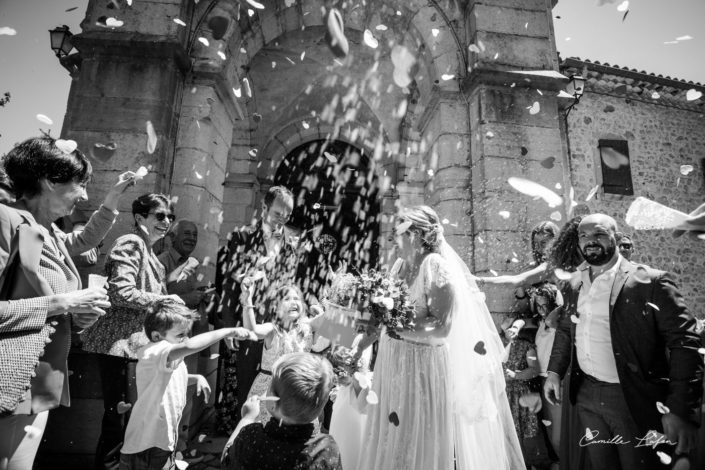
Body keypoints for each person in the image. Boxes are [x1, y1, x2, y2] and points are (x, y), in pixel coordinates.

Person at [0, 136, 135, 470]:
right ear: (49, 181)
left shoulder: (52, 233)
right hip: (10, 375)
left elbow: (85, 238)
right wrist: (65, 301)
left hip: (41, 375)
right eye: (81, 184)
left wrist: (76, 314)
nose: (85, 195)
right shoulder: (6, 220)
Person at [355, 205, 524, 470]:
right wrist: (360, 342)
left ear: (417, 235)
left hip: (420, 370)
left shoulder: (435, 266)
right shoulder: (399, 265)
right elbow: (385, 315)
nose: (391, 240)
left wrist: (393, 325)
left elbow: (442, 327)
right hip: (392, 363)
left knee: (415, 441)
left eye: (397, 233)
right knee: (389, 438)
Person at [544, 213, 703, 470]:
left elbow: (685, 343)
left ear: (615, 238)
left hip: (633, 398)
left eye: (598, 234)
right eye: (583, 236)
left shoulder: (651, 282)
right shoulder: (574, 283)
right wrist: (554, 372)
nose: (590, 241)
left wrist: (680, 408)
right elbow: (565, 328)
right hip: (587, 396)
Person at [81, 193, 183, 469]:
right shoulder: (131, 242)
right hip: (119, 346)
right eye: (159, 215)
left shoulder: (151, 253)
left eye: (170, 217)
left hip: (137, 349)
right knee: (119, 420)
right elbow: (120, 291)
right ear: (140, 217)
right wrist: (165, 299)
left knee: (128, 421)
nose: (166, 221)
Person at [119, 299, 255, 470]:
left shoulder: (166, 358)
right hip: (146, 446)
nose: (186, 340)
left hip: (160, 442)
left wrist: (195, 378)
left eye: (187, 334)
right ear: (156, 336)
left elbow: (168, 379)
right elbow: (190, 346)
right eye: (180, 335)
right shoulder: (154, 350)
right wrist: (227, 331)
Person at [216, 186, 299, 433]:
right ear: (263, 208)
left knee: (275, 382)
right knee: (244, 381)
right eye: (277, 214)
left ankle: (270, 434)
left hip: (276, 327)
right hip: (246, 320)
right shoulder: (241, 237)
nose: (281, 220)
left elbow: (289, 286)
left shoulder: (291, 245)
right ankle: (242, 437)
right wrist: (229, 325)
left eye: (287, 215)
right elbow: (229, 285)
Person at [221, 352, 342, 470]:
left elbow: (226, 459)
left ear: (273, 401)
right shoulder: (326, 450)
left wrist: (247, 418)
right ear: (322, 405)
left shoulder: (251, 437)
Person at [157, 219, 215, 463]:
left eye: (195, 234)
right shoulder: (162, 261)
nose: (192, 238)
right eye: (187, 234)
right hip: (168, 344)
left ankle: (181, 449)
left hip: (189, 339)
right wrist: (190, 296)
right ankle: (168, 452)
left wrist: (201, 295)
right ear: (172, 236)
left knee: (187, 394)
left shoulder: (192, 263)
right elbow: (157, 298)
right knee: (171, 394)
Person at [240, 282, 326, 422]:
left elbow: (329, 317)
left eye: (297, 299)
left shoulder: (308, 327)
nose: (293, 302)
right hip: (271, 389)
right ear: (275, 307)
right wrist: (247, 298)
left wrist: (341, 288)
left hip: (298, 388)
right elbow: (251, 330)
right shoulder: (272, 329)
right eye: (287, 299)